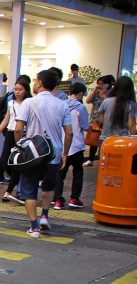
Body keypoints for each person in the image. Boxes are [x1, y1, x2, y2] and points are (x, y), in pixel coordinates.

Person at [14, 69, 73, 238]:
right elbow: (69, 132)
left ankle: (34, 227)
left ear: (39, 82)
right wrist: (65, 153)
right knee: (49, 185)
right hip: (53, 152)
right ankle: (45, 216)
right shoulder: (62, 105)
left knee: (29, 188)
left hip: (33, 153)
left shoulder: (28, 103)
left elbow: (18, 128)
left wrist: (20, 145)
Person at [0, 76, 32, 205]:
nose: (17, 92)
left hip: (22, 135)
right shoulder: (11, 104)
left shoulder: (29, 104)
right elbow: (6, 120)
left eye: (20, 89)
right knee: (5, 162)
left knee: (17, 165)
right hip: (10, 134)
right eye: (15, 89)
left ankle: (8, 192)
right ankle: (16, 184)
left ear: (26, 90)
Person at [53, 82, 90, 210]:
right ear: (80, 94)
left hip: (62, 144)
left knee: (60, 174)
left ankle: (58, 200)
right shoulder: (81, 108)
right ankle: (74, 198)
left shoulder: (61, 105)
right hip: (77, 146)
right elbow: (85, 126)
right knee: (78, 173)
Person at [84, 74, 115, 166]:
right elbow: (88, 100)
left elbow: (110, 104)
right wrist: (95, 90)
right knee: (93, 140)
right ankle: (91, 159)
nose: (99, 85)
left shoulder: (111, 93)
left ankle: (104, 159)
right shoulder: (96, 93)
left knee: (105, 141)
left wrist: (105, 94)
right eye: (98, 83)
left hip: (107, 120)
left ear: (108, 84)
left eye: (101, 83)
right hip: (95, 119)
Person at [97, 75, 137, 142]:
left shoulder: (106, 101)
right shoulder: (131, 104)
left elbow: (101, 120)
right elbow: (131, 125)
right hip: (121, 141)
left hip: (105, 140)